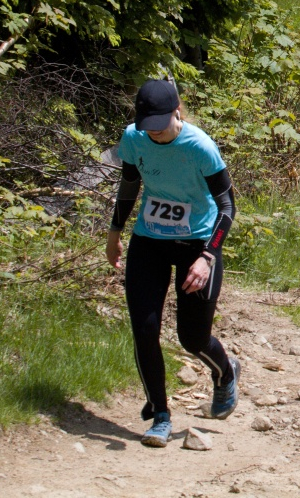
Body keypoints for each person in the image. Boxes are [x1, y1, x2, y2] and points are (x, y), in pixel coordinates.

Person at [107, 78, 241, 448]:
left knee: (192, 338)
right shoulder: (133, 138)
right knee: (145, 329)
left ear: (177, 111)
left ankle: (225, 373)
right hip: (149, 241)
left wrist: (208, 257)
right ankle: (160, 414)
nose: (154, 132)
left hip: (197, 244)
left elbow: (228, 206)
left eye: (161, 124)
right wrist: (114, 233)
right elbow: (129, 185)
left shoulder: (200, 146)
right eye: (147, 125)